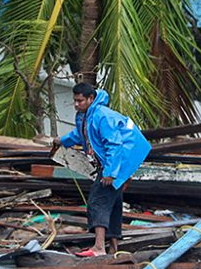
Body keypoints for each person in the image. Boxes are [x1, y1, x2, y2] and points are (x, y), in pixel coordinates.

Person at [53, 82, 151, 257]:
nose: (76, 104)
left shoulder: (102, 116)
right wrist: (62, 140)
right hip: (114, 163)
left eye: (80, 101)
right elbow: (80, 135)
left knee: (97, 202)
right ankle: (114, 247)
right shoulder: (87, 115)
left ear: (91, 99)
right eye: (74, 101)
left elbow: (114, 145)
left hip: (119, 162)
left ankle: (99, 247)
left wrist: (110, 173)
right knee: (113, 204)